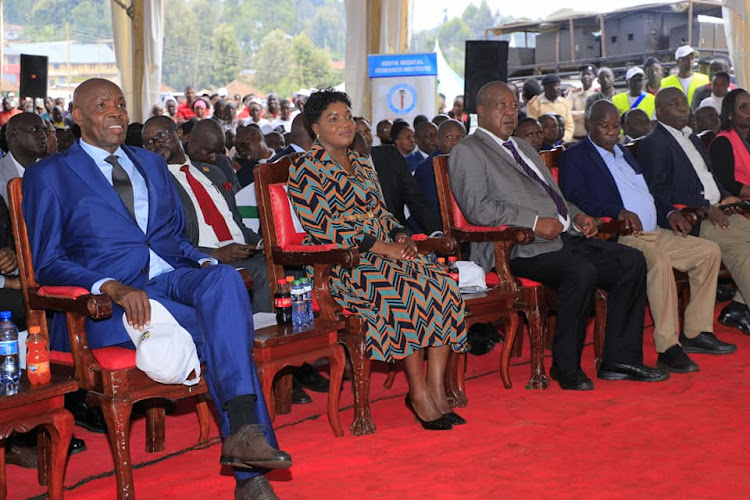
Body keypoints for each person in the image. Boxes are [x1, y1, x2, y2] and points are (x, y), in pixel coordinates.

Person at [22, 79, 291, 499]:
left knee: (223, 280)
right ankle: (249, 471)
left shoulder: (150, 165)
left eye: (121, 103)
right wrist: (109, 286)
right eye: (102, 104)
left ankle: (242, 434)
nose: (116, 111)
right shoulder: (50, 174)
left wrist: (205, 260)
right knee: (228, 334)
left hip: (171, 277)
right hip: (112, 305)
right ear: (77, 116)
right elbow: (48, 262)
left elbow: (172, 239)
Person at [448, 81, 668, 390]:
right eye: (501, 106)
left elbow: (556, 195)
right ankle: (566, 368)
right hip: (518, 248)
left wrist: (577, 216)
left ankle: (619, 360)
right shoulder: (468, 151)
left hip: (561, 238)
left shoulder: (522, 147)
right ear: (480, 111)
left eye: (513, 106)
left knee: (630, 261)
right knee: (580, 272)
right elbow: (477, 209)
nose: (510, 112)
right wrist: (534, 222)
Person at [288, 88, 468, 430]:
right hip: (344, 264)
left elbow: (383, 214)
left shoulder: (361, 164)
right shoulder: (305, 169)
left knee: (441, 283)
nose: (344, 124)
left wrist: (400, 235)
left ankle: (436, 388)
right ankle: (417, 393)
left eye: (347, 117)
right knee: (405, 292)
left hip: (386, 253)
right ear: (315, 129)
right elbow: (324, 227)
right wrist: (381, 247)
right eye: (333, 119)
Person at [560, 100, 734, 372]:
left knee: (708, 251)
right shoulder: (576, 156)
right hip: (622, 235)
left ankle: (696, 332)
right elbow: (574, 198)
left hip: (655, 231)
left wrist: (669, 214)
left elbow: (649, 191)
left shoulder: (623, 152)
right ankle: (668, 348)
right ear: (590, 125)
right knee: (659, 262)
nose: (611, 131)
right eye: (604, 126)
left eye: (615, 126)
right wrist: (616, 211)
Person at [638, 87, 750, 335]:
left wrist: (724, 195)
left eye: (683, 101)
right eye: (673, 103)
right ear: (658, 112)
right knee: (743, 246)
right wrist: (706, 207)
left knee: (743, 251)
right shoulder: (654, 143)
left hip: (720, 208)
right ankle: (737, 310)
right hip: (694, 218)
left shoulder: (692, 137)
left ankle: (738, 309)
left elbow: (708, 176)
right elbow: (658, 192)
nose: (681, 106)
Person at [142, 116, 271, 314]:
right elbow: (167, 241)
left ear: (179, 134)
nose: (156, 144)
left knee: (287, 262)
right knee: (262, 272)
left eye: (162, 136)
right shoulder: (156, 185)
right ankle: (260, 339)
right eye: (149, 142)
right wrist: (214, 253)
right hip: (204, 261)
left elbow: (236, 223)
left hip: (245, 252)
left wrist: (262, 244)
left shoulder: (213, 173)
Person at [359, 118, 442, 235]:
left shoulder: (389, 156)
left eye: (367, 132)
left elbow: (415, 199)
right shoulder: (338, 166)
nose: (364, 137)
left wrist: (435, 232)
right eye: (358, 133)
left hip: (399, 232)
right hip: (362, 235)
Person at [415, 118, 467, 220]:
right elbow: (434, 207)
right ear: (437, 141)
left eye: (460, 137)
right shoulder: (427, 168)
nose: (455, 142)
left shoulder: (470, 161)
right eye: (449, 137)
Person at [710, 88, 750, 198]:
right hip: (740, 203)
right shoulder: (722, 143)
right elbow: (727, 184)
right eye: (743, 107)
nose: (749, 110)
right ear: (730, 114)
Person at [526, 74, 574, 142]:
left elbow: (569, 125)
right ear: (547, 88)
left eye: (559, 85)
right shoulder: (534, 104)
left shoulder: (565, 103)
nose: (559, 88)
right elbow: (534, 127)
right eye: (556, 85)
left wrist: (563, 140)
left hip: (563, 142)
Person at [567, 64, 599, 140]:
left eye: (589, 74)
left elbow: (595, 116)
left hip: (592, 138)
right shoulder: (573, 93)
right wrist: (586, 114)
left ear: (594, 77)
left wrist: (575, 115)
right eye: (583, 74)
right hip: (574, 138)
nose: (585, 76)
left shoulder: (597, 94)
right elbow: (567, 113)